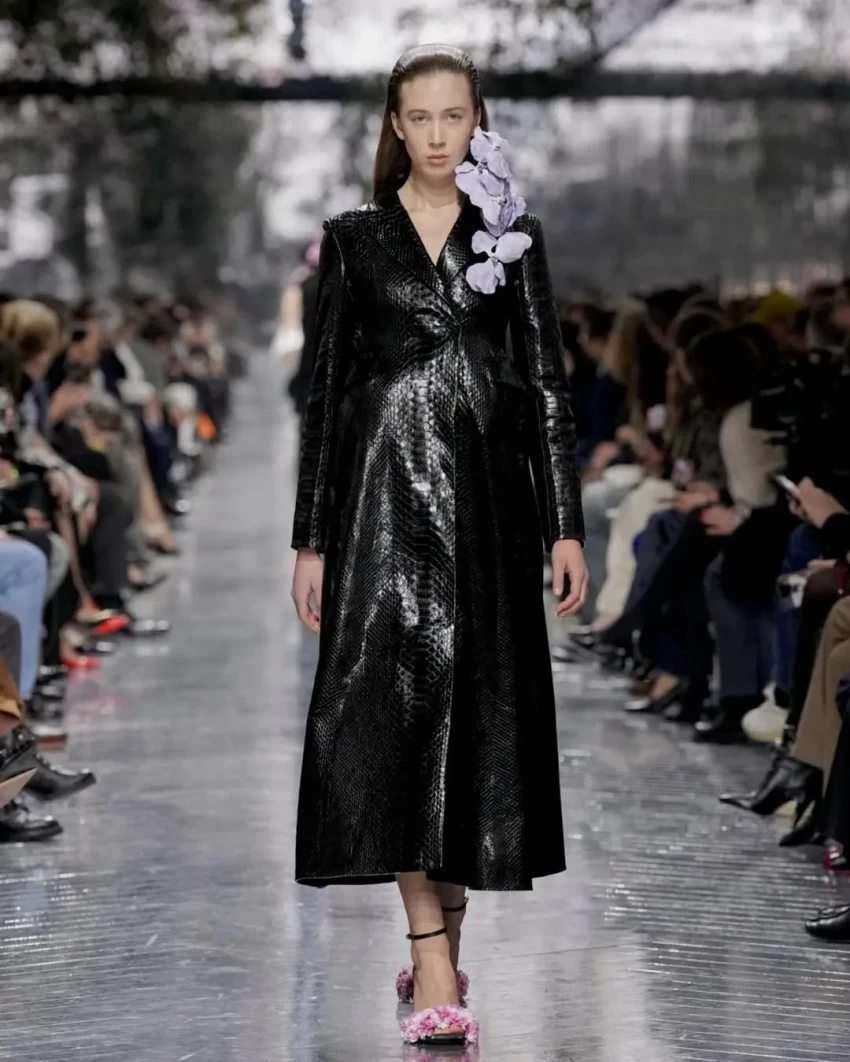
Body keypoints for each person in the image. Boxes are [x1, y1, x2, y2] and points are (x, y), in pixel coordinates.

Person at [290, 44, 586, 1047]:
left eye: (452, 116)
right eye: (417, 117)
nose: (434, 135)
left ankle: (441, 950)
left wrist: (565, 523)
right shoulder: (354, 240)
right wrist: (310, 539)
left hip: (490, 510)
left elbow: (547, 386)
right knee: (396, 714)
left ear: (476, 121)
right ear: (393, 124)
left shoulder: (513, 235)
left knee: (476, 717)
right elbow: (326, 394)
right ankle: (428, 956)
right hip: (380, 506)